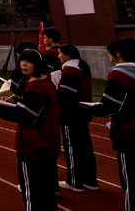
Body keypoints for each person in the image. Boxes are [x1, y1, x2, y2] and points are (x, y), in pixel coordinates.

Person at [0, 49, 61, 211]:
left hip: (33, 147)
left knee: (33, 195)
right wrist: (16, 100)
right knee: (46, 193)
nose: (23, 64)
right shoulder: (46, 83)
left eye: (28, 61)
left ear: (38, 64)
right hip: (47, 145)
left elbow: (25, 115)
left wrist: (0, 108)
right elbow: (33, 105)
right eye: (22, 61)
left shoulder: (36, 88)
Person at [92, 37, 135, 211]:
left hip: (130, 135)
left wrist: (88, 109)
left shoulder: (119, 74)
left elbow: (111, 107)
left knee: (132, 183)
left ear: (118, 53)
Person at [55, 44, 97, 193]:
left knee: (72, 147)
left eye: (60, 54)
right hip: (83, 112)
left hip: (70, 114)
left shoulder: (70, 70)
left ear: (68, 55)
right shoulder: (81, 67)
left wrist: (54, 92)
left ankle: (74, 181)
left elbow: (67, 95)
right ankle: (91, 180)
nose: (58, 56)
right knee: (85, 146)